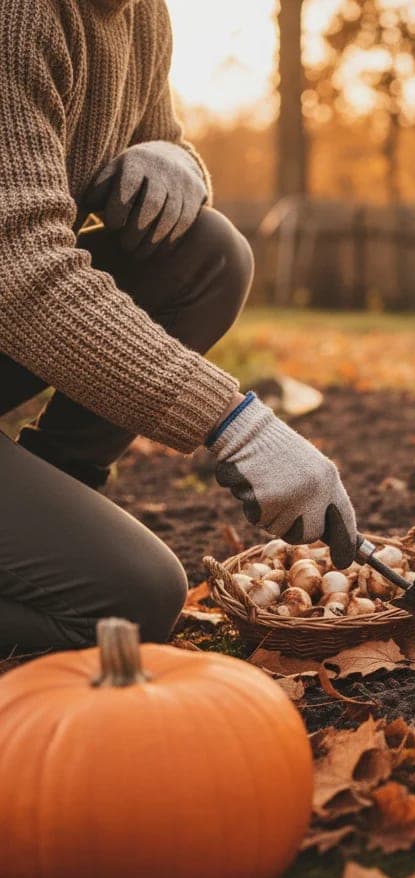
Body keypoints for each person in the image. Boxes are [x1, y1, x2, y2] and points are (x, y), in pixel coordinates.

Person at [0, 0, 358, 654]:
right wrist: (234, 423)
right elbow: (22, 273)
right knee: (130, 600)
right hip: (14, 293)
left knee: (209, 253)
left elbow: (162, 149)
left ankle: (53, 502)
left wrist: (176, 158)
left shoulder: (142, 15)